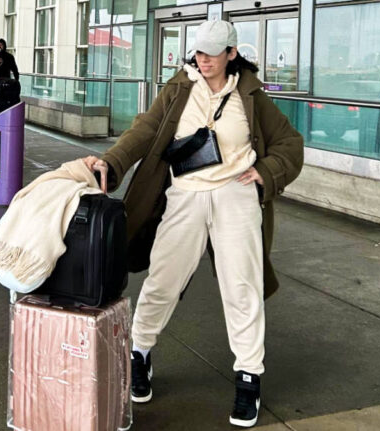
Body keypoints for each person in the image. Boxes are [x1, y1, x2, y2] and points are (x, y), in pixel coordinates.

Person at [81, 21, 304, 428]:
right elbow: (145, 129)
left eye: (212, 53)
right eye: (199, 51)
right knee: (162, 280)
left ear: (231, 53)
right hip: (184, 193)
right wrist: (112, 160)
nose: (202, 59)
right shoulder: (180, 87)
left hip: (235, 196)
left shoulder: (250, 94)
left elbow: (291, 143)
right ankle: (140, 354)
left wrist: (266, 173)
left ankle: (249, 375)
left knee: (242, 286)